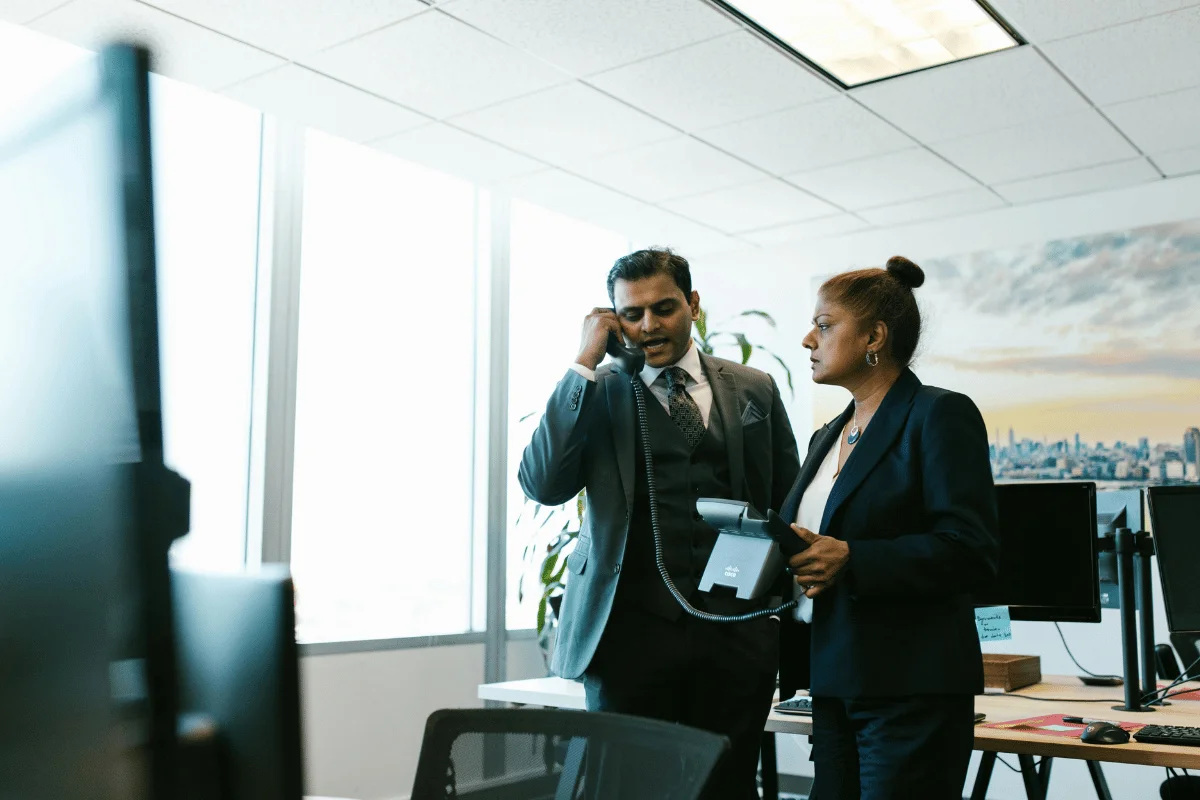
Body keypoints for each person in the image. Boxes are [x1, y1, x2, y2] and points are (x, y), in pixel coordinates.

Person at [519, 248, 801, 799]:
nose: (648, 326)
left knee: (725, 787)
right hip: (628, 638)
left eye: (664, 308)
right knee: (629, 789)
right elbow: (542, 484)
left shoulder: (754, 388)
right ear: (613, 319)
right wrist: (583, 361)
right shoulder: (596, 392)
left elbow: (786, 503)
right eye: (632, 313)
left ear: (693, 305)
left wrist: (777, 628)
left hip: (733, 634)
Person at [779, 256, 1000, 799]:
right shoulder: (826, 437)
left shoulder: (938, 416)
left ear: (874, 336)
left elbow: (971, 550)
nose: (809, 339)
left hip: (910, 692)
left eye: (824, 325)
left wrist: (854, 558)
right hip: (832, 686)